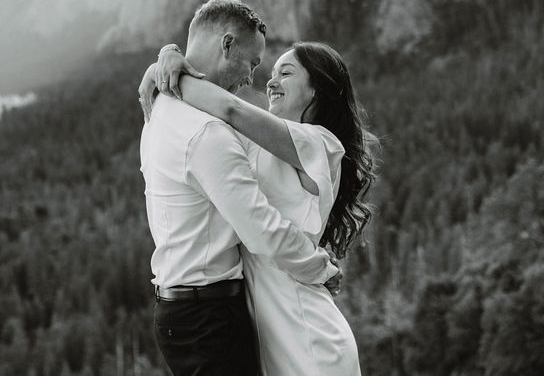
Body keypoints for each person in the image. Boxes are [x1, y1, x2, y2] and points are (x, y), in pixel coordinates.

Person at [139, 36, 377, 376]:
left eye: (287, 73)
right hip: (271, 334)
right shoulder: (262, 143)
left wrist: (169, 74)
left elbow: (230, 108)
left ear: (315, 91)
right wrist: (165, 58)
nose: (271, 80)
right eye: (272, 71)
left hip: (309, 337)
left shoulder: (320, 144)